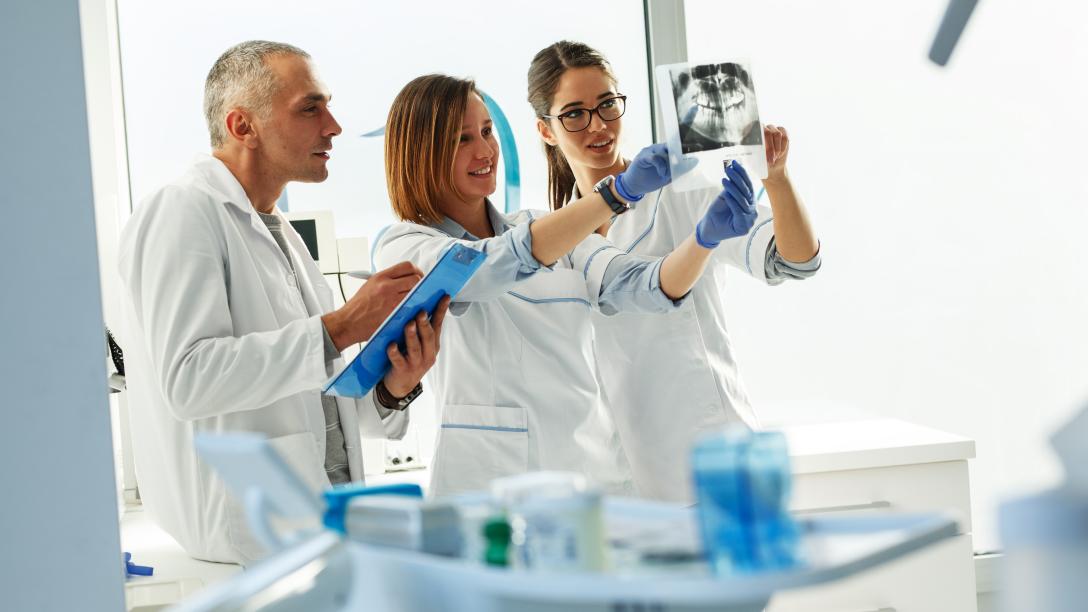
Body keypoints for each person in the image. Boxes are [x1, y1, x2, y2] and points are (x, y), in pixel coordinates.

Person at [117, 41, 446, 565]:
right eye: (310, 108)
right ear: (242, 126)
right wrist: (340, 327)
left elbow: (310, 397)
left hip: (319, 527)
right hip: (244, 546)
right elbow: (189, 379)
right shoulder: (181, 210)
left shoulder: (281, 233)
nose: (334, 126)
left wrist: (392, 388)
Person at [373, 74, 759, 498]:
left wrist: (704, 239)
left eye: (486, 131)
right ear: (421, 154)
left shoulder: (542, 226)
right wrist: (616, 193)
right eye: (461, 140)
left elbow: (639, 284)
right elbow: (483, 269)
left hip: (592, 477)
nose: (485, 151)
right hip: (492, 489)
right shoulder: (405, 246)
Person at [527, 41, 821, 502]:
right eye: (575, 114)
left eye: (607, 104)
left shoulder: (678, 188)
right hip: (623, 472)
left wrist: (776, 178)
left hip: (711, 453)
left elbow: (795, 261)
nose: (599, 125)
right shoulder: (556, 233)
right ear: (546, 130)